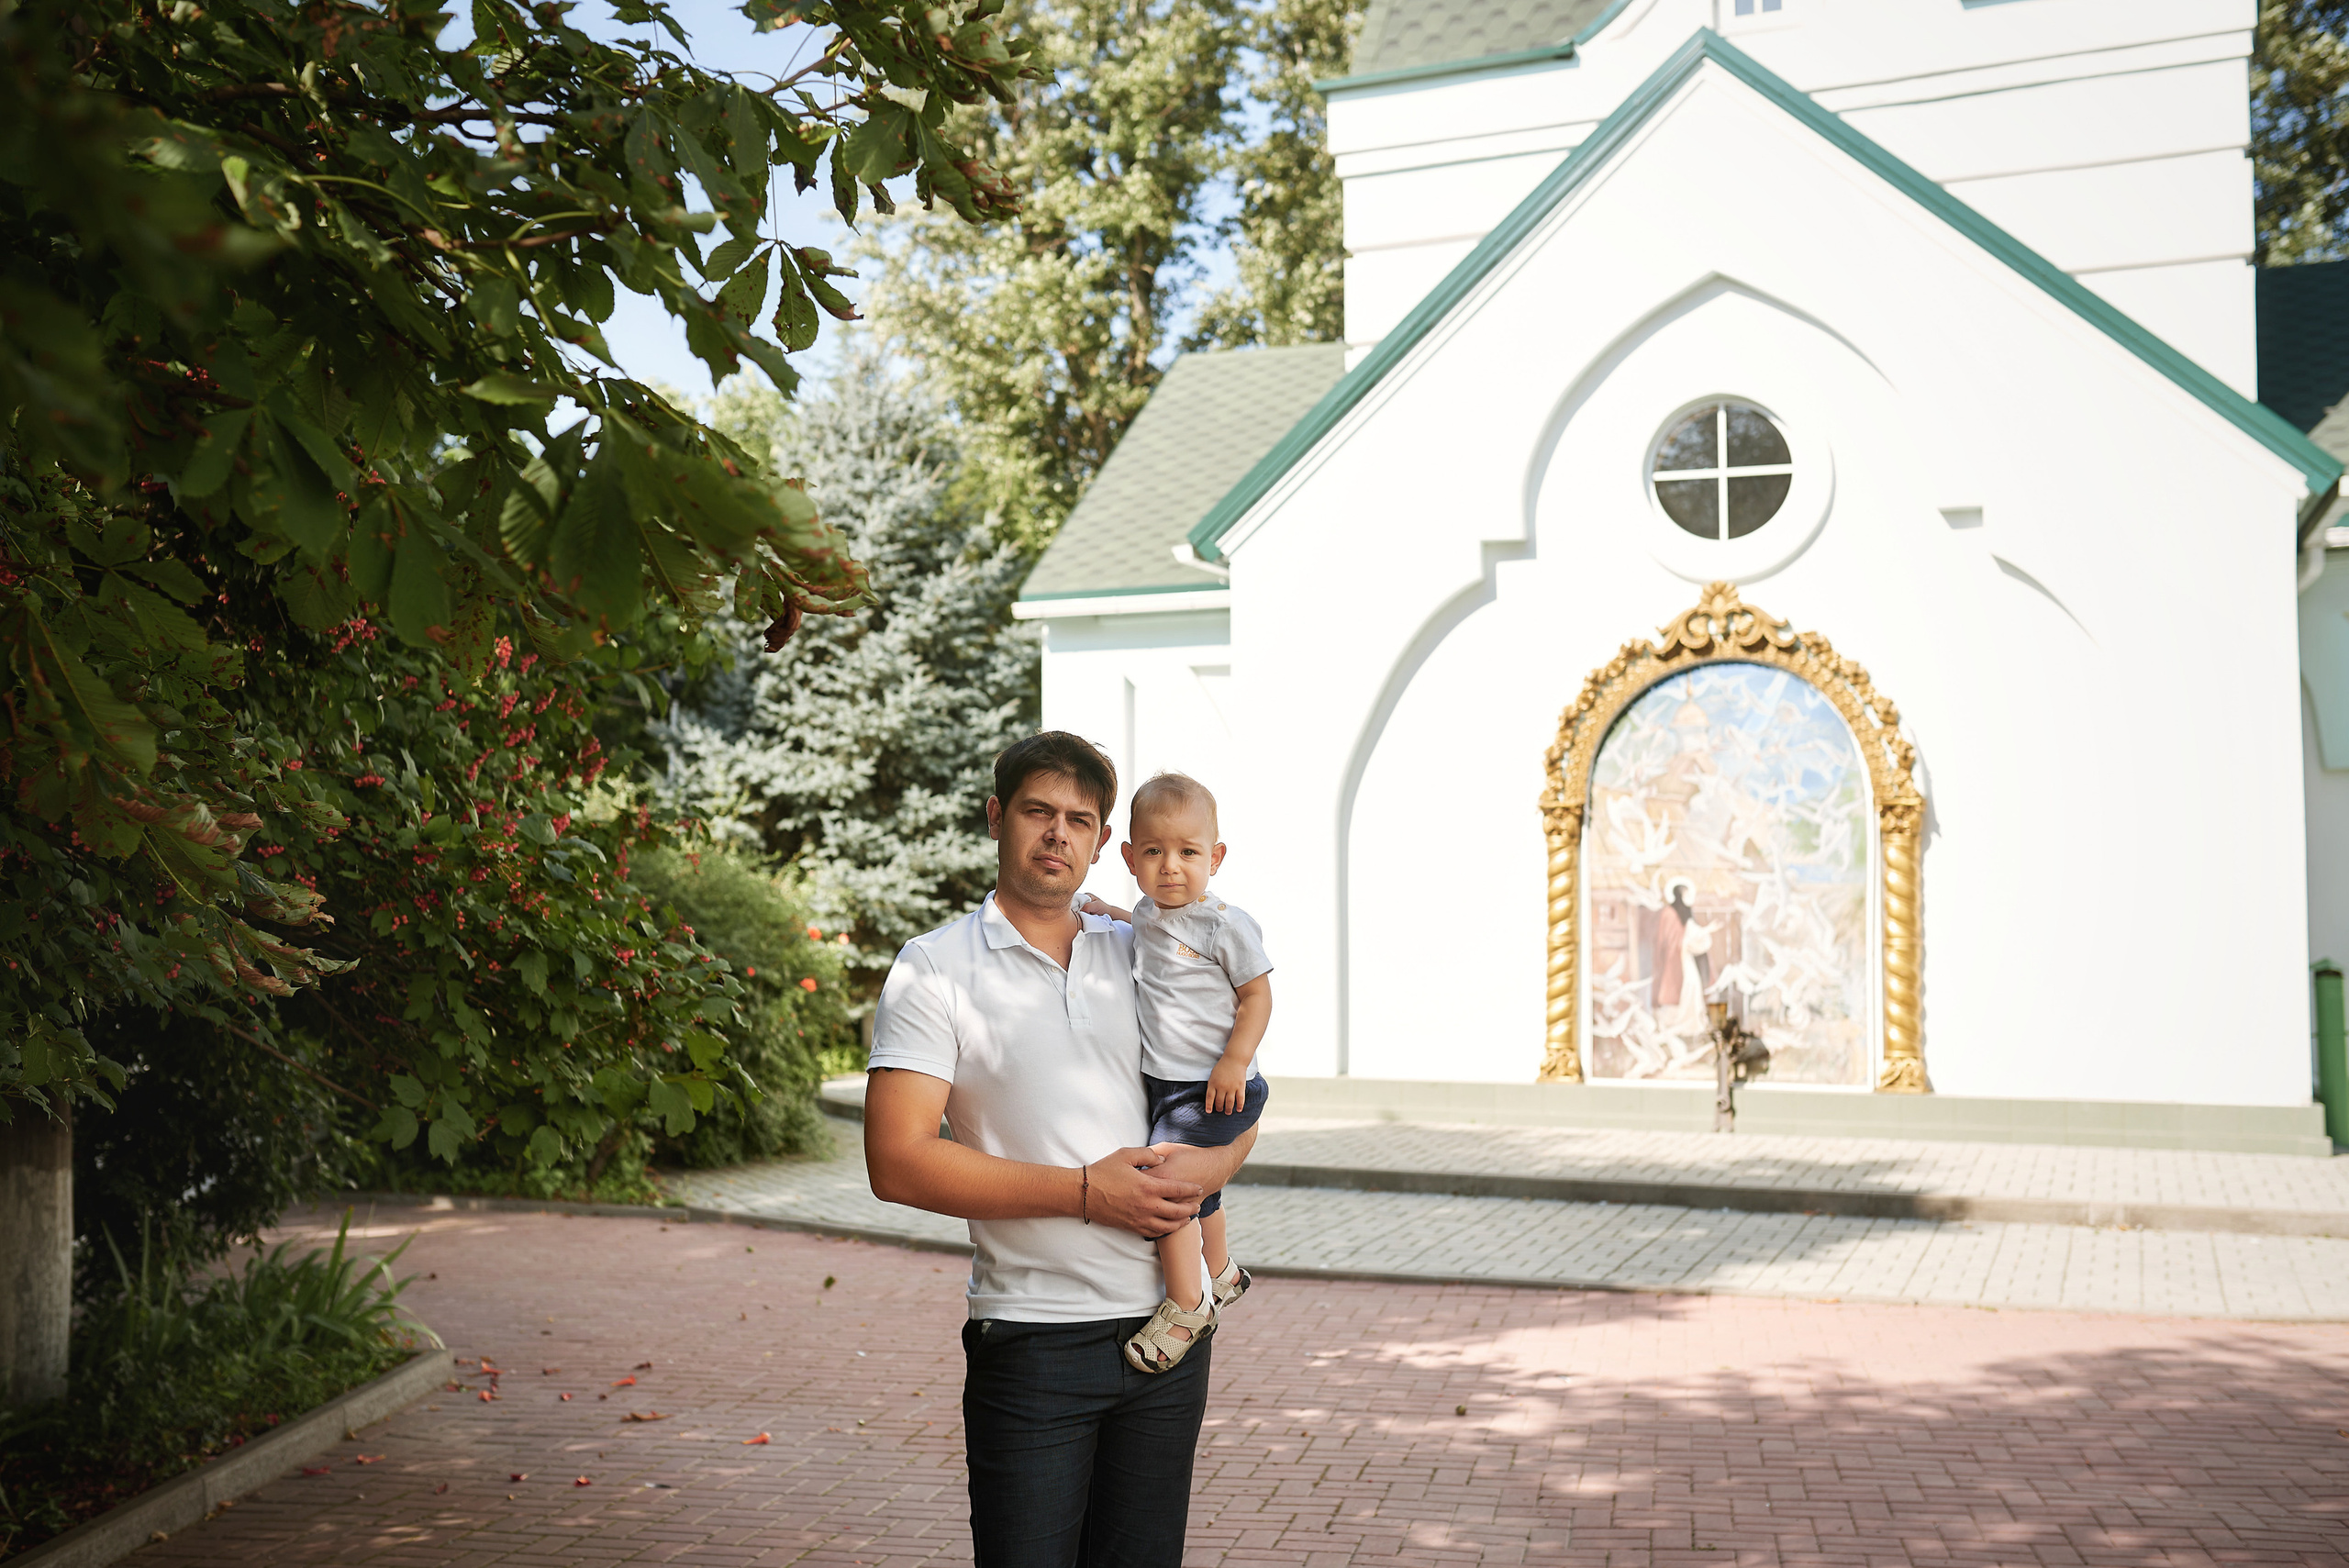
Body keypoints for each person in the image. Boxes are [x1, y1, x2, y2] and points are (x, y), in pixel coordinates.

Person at [863, 731, 1258, 1568]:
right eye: (1037, 811)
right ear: (996, 816)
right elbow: (895, 1160)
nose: (1057, 833)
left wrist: (1211, 1168)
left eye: (1079, 820)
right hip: (1032, 1340)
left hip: (1167, 1337)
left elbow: (1238, 1097)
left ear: (1105, 841)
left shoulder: (1146, 947)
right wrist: (1085, 1190)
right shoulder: (934, 968)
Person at [1080, 772, 1273, 1374]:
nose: (1171, 866)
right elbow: (1147, 931)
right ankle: (1221, 1271)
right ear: (1130, 859)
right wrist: (1107, 912)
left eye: (1188, 852)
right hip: (1167, 1084)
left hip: (1215, 1085)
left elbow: (1257, 996)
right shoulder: (1148, 913)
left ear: (1215, 858)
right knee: (1198, 1189)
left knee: (1166, 1190)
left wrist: (1234, 1061)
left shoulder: (1225, 924)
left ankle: (1189, 1304)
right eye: (1154, 852)